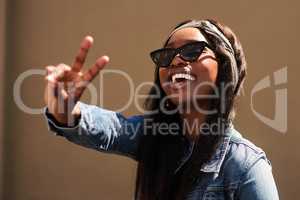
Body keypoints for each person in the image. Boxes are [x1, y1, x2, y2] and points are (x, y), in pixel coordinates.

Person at [43, 19, 279, 200]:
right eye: (167, 55)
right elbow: (113, 129)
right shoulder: (156, 137)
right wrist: (66, 112)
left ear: (224, 67)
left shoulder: (246, 166)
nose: (176, 61)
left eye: (192, 51)